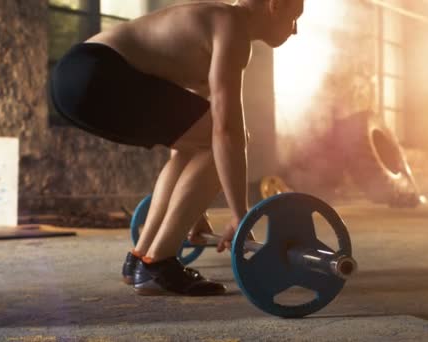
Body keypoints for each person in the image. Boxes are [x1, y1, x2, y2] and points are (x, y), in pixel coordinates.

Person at [49, 0, 303, 296]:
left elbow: (185, 137)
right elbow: (227, 132)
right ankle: (159, 263)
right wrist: (240, 214)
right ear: (275, 5)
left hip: (72, 77)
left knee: (199, 142)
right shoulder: (231, 26)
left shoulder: (213, 22)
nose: (295, 30)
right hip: (99, 73)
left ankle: (141, 258)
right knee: (227, 137)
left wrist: (192, 209)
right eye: (294, 17)